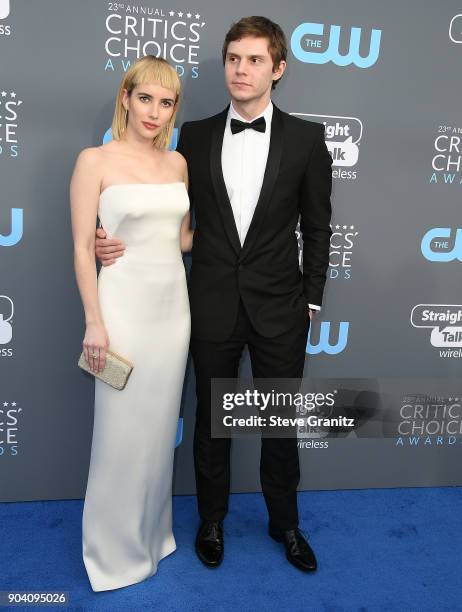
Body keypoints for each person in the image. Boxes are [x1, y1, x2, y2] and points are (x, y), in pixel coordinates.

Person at [96, 16, 332, 573]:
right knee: (210, 423)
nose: (240, 70)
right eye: (233, 59)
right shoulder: (193, 138)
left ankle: (285, 524)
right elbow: (163, 210)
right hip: (209, 304)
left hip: (281, 307)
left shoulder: (306, 138)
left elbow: (318, 227)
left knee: (278, 424)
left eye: (253, 60)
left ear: (277, 69)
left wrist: (312, 299)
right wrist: (111, 235)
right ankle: (211, 520)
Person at [70, 56, 193, 592]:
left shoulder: (178, 164)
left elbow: (183, 238)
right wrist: (94, 321)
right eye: (145, 98)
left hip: (173, 312)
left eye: (166, 103)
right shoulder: (94, 159)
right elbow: (80, 247)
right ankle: (113, 553)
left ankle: (151, 535)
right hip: (121, 311)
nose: (155, 112)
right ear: (125, 98)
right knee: (120, 434)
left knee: (156, 432)